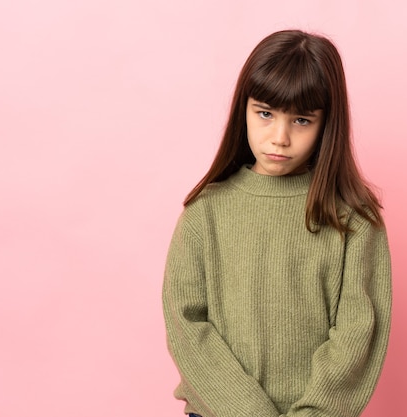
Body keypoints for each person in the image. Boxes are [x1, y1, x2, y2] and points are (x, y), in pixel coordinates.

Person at [162, 29, 392, 417]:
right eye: (265, 113)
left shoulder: (354, 219)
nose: (280, 137)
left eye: (301, 120)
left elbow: (358, 332)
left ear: (326, 125)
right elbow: (187, 326)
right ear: (244, 110)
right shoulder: (206, 212)